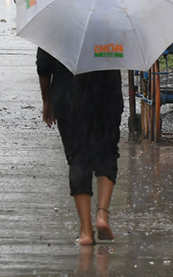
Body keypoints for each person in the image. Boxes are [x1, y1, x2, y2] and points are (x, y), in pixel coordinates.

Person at [37, 48, 123, 245]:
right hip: (107, 93)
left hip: (69, 97)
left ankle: (86, 231)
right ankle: (102, 215)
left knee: (78, 157)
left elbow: (43, 65)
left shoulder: (57, 23)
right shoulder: (112, 22)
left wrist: (46, 101)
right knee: (107, 152)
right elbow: (120, 54)